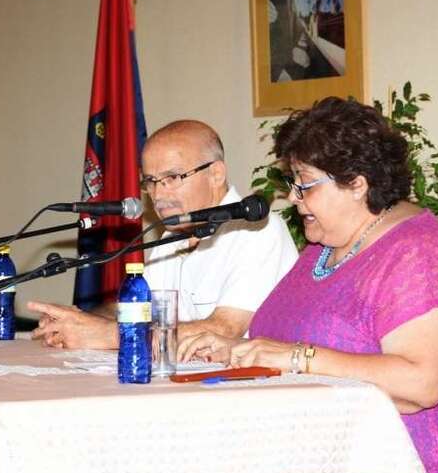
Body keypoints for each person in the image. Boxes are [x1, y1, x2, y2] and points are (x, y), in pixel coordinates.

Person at [177, 98, 438, 473]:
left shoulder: (417, 254)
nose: (293, 197)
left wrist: (296, 357)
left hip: (415, 466)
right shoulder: (326, 246)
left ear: (356, 184)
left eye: (305, 183)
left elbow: (421, 383)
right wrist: (240, 350)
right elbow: (288, 338)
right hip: (328, 456)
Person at [30, 120, 297, 349]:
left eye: (173, 178)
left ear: (216, 174)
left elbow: (224, 329)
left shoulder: (259, 231)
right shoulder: (173, 235)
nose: (158, 194)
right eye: (151, 181)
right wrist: (80, 321)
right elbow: (136, 309)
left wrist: (105, 335)